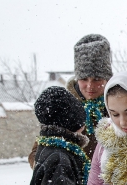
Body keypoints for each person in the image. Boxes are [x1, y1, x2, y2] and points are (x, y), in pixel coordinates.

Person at [28, 33, 112, 169]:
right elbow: (36, 154)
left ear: (107, 79)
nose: (90, 86)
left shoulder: (119, 107)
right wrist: (60, 169)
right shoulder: (63, 107)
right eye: (84, 79)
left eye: (97, 79)